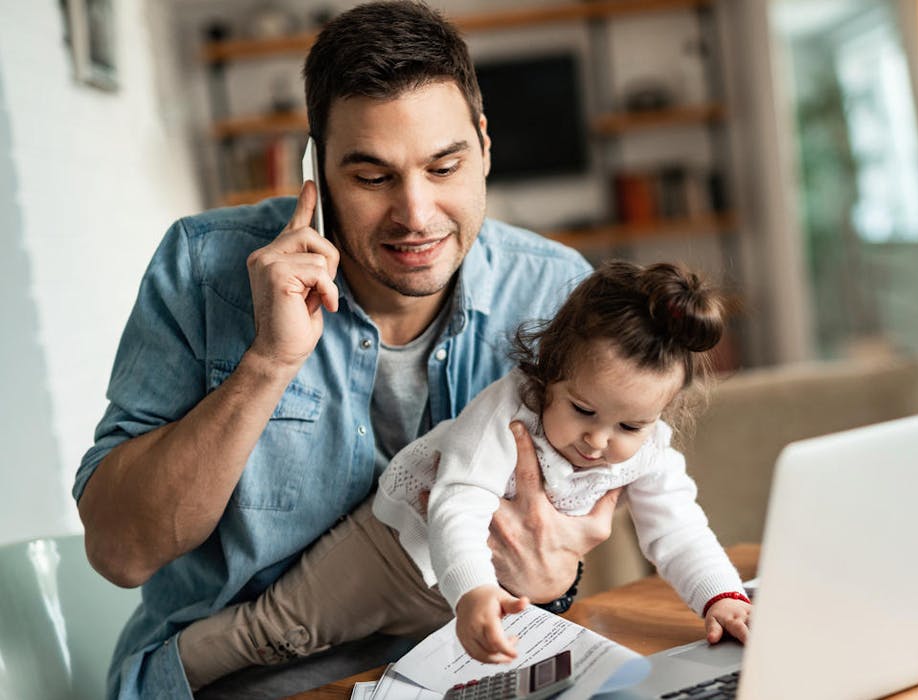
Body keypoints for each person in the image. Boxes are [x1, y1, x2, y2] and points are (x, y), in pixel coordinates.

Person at [73, 3, 618, 698]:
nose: (416, 214)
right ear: (317, 170)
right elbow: (122, 553)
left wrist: (559, 579)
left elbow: (564, 537)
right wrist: (269, 362)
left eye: (444, 166)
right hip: (250, 682)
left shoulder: (557, 291)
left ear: (484, 145)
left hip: (469, 670)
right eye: (371, 177)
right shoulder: (203, 270)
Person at [177, 261, 753, 689]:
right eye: (582, 411)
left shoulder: (647, 450)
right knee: (276, 634)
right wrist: (475, 590)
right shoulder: (508, 411)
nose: (599, 443)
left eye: (630, 425)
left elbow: (678, 528)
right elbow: (459, 503)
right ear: (549, 373)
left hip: (468, 597)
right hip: (394, 552)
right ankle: (169, 670)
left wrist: (720, 598)